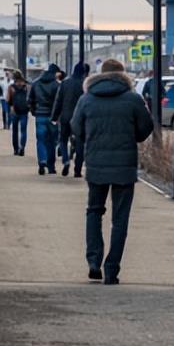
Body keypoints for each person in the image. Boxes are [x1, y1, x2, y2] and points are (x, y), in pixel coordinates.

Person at [71, 59, 154, 284]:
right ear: (123, 74)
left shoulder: (86, 99)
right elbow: (146, 127)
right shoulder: (133, 99)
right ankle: (112, 268)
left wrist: (90, 140)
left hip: (96, 164)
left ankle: (93, 260)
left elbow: (76, 128)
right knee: (120, 218)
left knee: (94, 211)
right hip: (124, 166)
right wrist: (132, 137)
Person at [52, 62, 90, 178]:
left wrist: (54, 116)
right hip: (80, 118)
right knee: (80, 142)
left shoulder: (65, 83)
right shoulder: (85, 85)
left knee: (63, 140)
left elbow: (58, 101)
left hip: (65, 116)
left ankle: (65, 160)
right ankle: (77, 169)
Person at [29, 63, 62, 175]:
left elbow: (30, 100)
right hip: (53, 116)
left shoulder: (35, 83)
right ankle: (51, 166)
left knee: (41, 139)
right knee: (52, 141)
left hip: (40, 115)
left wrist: (34, 111)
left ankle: (42, 161)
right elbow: (59, 101)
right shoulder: (57, 85)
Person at [7, 71, 31, 156]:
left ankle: (15, 149)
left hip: (14, 111)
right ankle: (22, 147)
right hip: (24, 111)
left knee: (15, 130)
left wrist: (11, 106)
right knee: (23, 130)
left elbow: (8, 99)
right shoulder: (27, 86)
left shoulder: (11, 87)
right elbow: (30, 98)